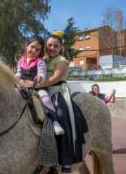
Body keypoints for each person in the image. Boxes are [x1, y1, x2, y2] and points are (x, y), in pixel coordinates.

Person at [36, 31, 87, 173]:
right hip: (42, 91)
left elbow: (55, 78)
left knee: (60, 115)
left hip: (57, 92)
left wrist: (36, 85)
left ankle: (66, 161)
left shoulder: (62, 61)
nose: (52, 48)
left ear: (60, 48)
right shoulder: (43, 60)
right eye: (50, 45)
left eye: (56, 46)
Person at [15, 35, 64, 135]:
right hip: (23, 85)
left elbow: (42, 73)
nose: (34, 51)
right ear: (26, 46)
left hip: (36, 87)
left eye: (37, 50)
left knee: (45, 97)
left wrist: (40, 78)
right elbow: (19, 72)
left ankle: (55, 122)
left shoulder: (40, 61)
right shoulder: (21, 61)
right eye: (32, 47)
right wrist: (14, 77)